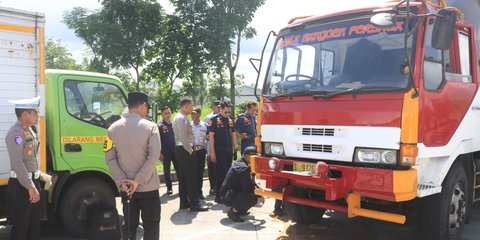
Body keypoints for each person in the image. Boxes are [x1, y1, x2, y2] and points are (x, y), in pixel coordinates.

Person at [104, 92, 161, 240]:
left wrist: (123, 181)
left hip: (126, 189)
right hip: (148, 187)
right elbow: (153, 157)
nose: (147, 110)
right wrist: (138, 181)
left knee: (129, 228)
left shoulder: (111, 129)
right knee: (151, 227)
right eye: (147, 106)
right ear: (142, 105)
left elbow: (110, 159)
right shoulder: (151, 127)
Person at [6, 96, 52, 240]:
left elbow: (30, 158)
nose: (37, 115)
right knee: (22, 226)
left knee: (34, 225)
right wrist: (30, 187)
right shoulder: (16, 133)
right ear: (25, 114)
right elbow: (18, 162)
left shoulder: (30, 130)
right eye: (34, 112)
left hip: (32, 181)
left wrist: (40, 175)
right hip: (22, 185)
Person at [172, 98, 209, 212]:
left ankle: (184, 202)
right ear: (186, 106)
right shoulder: (183, 119)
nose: (193, 109)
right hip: (185, 149)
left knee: (183, 177)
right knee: (192, 177)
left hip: (180, 149)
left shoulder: (178, 117)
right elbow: (183, 136)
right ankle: (194, 204)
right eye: (191, 106)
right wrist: (190, 150)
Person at [219, 146, 264, 222]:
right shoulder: (244, 167)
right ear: (250, 156)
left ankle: (240, 210)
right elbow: (248, 186)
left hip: (229, 193)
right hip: (227, 197)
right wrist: (260, 195)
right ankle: (233, 212)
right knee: (252, 198)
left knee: (251, 194)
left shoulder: (241, 162)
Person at [208, 101, 237, 203]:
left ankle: (225, 194)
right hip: (218, 151)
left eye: (229, 112)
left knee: (228, 173)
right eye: (226, 112)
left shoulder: (230, 119)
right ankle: (218, 195)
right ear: (220, 109)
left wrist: (235, 148)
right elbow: (211, 137)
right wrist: (212, 152)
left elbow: (233, 134)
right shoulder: (214, 120)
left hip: (228, 150)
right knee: (221, 173)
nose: (228, 114)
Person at [158, 106, 177, 195]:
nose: (168, 115)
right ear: (162, 114)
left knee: (179, 169)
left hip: (175, 151)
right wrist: (159, 153)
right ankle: (169, 188)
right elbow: (157, 141)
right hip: (165, 152)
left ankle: (183, 187)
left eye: (169, 113)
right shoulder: (159, 126)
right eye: (166, 113)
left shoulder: (174, 124)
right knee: (167, 171)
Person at [191, 108, 208, 199]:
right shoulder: (189, 125)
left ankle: (199, 192)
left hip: (201, 150)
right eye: (192, 114)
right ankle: (192, 192)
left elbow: (208, 138)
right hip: (191, 150)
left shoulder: (204, 125)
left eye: (194, 113)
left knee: (200, 172)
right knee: (192, 172)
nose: (192, 115)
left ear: (199, 114)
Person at [205, 100, 220, 195]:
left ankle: (219, 187)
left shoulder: (223, 117)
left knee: (219, 168)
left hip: (220, 147)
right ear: (212, 107)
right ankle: (212, 187)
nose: (218, 108)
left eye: (219, 106)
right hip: (210, 146)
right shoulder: (208, 118)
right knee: (211, 168)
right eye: (217, 106)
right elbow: (206, 133)